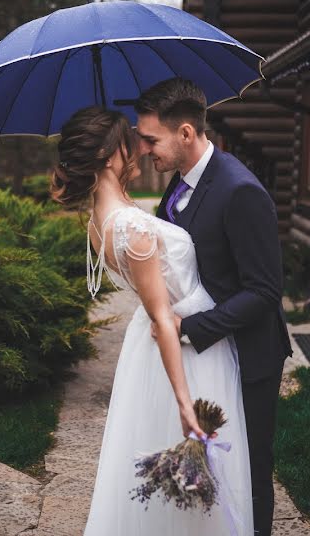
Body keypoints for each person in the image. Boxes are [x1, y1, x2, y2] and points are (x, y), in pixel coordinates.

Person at [51, 106, 254, 535]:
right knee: (194, 490)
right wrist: (184, 403)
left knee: (173, 488)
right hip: (184, 353)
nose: (140, 151)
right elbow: (163, 318)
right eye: (131, 143)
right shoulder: (132, 229)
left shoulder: (98, 220)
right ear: (110, 155)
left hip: (152, 351)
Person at [136, 77, 292, 536]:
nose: (145, 150)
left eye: (151, 140)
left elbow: (264, 292)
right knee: (208, 462)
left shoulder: (240, 190)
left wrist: (188, 326)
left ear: (186, 132)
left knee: (249, 468)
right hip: (207, 357)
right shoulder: (179, 183)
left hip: (248, 356)